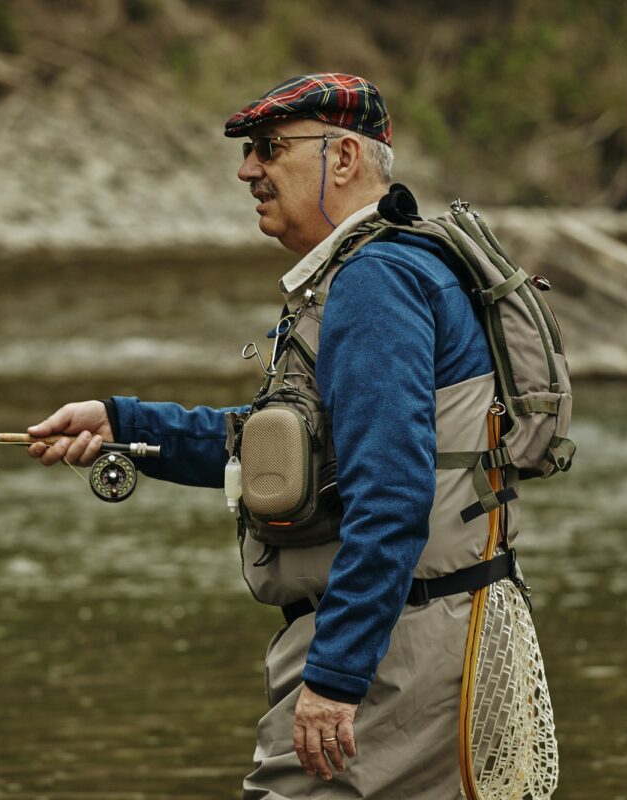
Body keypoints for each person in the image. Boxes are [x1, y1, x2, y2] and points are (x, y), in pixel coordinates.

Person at [26, 74, 503, 799]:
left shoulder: (375, 283)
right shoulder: (385, 268)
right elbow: (293, 454)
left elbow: (393, 498)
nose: (248, 169)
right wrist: (124, 424)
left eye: (269, 148)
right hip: (421, 631)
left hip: (396, 655)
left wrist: (336, 677)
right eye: (251, 150)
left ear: (342, 159)